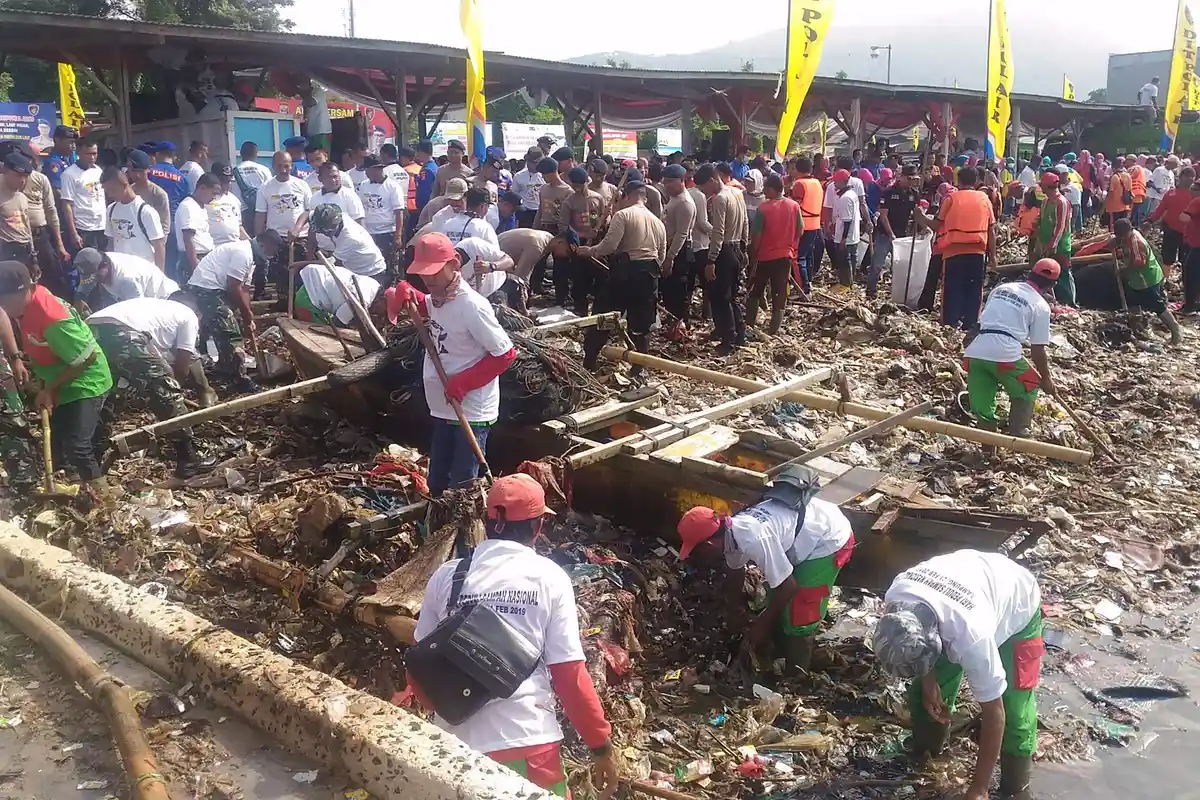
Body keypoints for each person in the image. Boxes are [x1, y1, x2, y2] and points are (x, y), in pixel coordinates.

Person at [412, 473, 618, 799]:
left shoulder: (447, 576)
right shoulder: (549, 579)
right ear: (537, 527)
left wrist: (449, 715)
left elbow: (419, 665)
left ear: (487, 519)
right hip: (527, 742)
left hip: (452, 750)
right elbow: (569, 677)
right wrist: (600, 745)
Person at [871, 550, 1044, 800]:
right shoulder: (898, 595)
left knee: (1015, 708)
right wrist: (929, 681)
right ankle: (927, 752)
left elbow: (994, 712)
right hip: (968, 587)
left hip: (1017, 602)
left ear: (937, 639)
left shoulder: (972, 637)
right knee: (924, 696)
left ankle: (1015, 785)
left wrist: (979, 788)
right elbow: (915, 644)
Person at [677, 465, 853, 670]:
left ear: (709, 544)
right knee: (775, 599)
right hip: (802, 531)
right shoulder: (730, 533)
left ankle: (797, 674)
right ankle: (777, 650)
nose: (699, 557)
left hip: (829, 538)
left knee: (800, 610)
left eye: (698, 551)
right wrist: (734, 610)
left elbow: (789, 586)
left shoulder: (753, 538)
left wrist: (761, 625)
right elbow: (735, 571)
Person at [386, 233, 515, 492]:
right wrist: (413, 296)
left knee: (461, 485)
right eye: (423, 274)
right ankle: (435, 526)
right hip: (444, 407)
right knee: (436, 481)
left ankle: (461, 531)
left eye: (434, 273)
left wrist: (464, 383)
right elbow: (433, 314)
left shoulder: (471, 306)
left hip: (470, 410)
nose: (428, 280)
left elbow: (505, 354)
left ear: (454, 265)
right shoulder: (437, 298)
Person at [0, 260, 113, 496]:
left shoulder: (50, 316)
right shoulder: (26, 307)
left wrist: (48, 389)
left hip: (86, 381)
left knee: (78, 446)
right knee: (61, 446)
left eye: (3, 301)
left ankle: (107, 498)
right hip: (62, 381)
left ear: (19, 293)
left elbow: (87, 357)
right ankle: (78, 488)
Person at [87, 296, 216, 475]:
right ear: (199, 314)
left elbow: (153, 363)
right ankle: (189, 456)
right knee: (165, 388)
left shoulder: (160, 312)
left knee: (109, 394)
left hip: (92, 331)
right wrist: (174, 397)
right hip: (123, 333)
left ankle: (91, 454)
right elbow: (181, 369)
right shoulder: (190, 317)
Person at [961, 258, 1058, 438]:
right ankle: (1019, 434)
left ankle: (988, 450)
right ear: (1052, 285)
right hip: (1005, 356)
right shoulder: (1041, 306)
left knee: (983, 405)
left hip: (975, 352)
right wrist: (1046, 378)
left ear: (1031, 274)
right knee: (1029, 386)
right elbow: (1037, 349)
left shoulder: (1000, 289)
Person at [578, 182, 667, 369]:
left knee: (604, 316)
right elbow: (662, 255)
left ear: (627, 196)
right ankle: (639, 368)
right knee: (642, 325)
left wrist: (589, 251)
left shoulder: (623, 215)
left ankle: (590, 361)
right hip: (649, 274)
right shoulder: (657, 221)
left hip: (626, 273)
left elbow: (609, 246)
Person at [185, 232, 283, 391]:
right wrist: (245, 313)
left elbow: (244, 289)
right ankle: (239, 379)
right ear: (265, 243)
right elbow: (233, 286)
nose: (274, 254)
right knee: (229, 331)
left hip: (218, 289)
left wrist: (248, 315)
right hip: (206, 288)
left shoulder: (251, 258)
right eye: (274, 250)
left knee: (230, 321)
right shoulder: (243, 253)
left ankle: (224, 366)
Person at [925, 165, 996, 330]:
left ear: (958, 181)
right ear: (977, 180)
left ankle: (950, 322)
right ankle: (970, 322)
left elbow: (936, 224)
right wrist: (993, 255)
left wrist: (920, 217)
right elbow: (992, 228)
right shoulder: (984, 199)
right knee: (974, 288)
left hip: (953, 251)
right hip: (977, 251)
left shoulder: (951, 198)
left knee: (952, 288)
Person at [696, 163, 749, 354]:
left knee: (720, 297)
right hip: (736, 248)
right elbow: (745, 223)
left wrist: (711, 260)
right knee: (732, 295)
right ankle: (738, 334)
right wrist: (744, 248)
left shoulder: (720, 199)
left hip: (724, 250)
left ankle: (729, 339)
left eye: (704, 187)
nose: (705, 192)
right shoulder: (737, 193)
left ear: (712, 180)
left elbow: (718, 232)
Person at [1103, 217, 1182, 344]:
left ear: (1125, 232)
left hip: (1147, 278)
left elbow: (1139, 262)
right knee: (1139, 300)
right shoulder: (1130, 235)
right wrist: (1116, 242)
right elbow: (1120, 242)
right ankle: (1138, 325)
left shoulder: (1135, 242)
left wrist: (1124, 269)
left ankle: (1175, 331)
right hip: (1139, 279)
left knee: (1157, 305)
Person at [254, 151, 310, 303]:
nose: (284, 170)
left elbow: (309, 210)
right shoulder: (266, 188)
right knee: (281, 276)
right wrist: (258, 240)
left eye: (286, 166)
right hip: (277, 238)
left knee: (301, 274)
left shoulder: (301, 185)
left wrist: (297, 228)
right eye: (279, 166)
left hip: (300, 237)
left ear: (291, 166)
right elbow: (260, 215)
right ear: (273, 167)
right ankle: (284, 305)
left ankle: (301, 304)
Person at [746, 174, 799, 334]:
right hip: (785, 256)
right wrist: (791, 245)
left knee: (755, 289)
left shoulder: (764, 208)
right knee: (779, 291)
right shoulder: (794, 206)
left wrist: (753, 254)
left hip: (764, 257)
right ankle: (774, 328)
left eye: (765, 188)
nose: (763, 191)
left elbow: (756, 236)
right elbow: (800, 229)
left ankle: (749, 324)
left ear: (771, 189)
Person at [73, 248, 179, 311]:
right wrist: (79, 300)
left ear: (105, 265)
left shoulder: (126, 279)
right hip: (128, 296)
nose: (93, 279)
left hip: (162, 300)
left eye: (95, 275)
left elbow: (138, 312)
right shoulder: (96, 261)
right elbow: (83, 288)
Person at [871, 164, 920, 299]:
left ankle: (899, 294)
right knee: (877, 264)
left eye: (913, 179)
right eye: (908, 178)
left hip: (902, 235)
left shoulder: (914, 194)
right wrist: (890, 233)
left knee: (900, 266)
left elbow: (915, 214)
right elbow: (883, 215)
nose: (911, 181)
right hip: (885, 234)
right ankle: (871, 292)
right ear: (901, 176)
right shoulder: (888, 192)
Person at [102, 166, 166, 270]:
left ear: (124, 186)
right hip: (120, 271)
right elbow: (110, 242)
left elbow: (159, 246)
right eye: (106, 191)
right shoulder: (111, 209)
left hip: (144, 271)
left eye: (112, 190)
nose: (109, 195)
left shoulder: (146, 212)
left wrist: (160, 276)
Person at [304, 205, 386, 280]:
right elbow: (307, 214)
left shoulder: (350, 238)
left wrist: (301, 265)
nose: (323, 234)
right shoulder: (338, 216)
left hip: (369, 272)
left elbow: (330, 264)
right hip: (352, 268)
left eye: (325, 232)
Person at [660, 164, 697, 329]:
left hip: (680, 250)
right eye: (665, 181)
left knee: (679, 289)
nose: (667, 185)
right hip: (670, 247)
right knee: (669, 289)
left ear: (682, 181)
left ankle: (681, 324)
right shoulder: (674, 199)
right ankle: (672, 321)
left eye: (670, 182)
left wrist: (670, 257)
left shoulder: (685, 203)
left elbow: (682, 233)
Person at [358, 156, 406, 280]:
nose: (367, 173)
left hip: (387, 231)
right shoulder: (364, 185)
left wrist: (398, 235)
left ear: (377, 169)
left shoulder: (392, 186)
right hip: (369, 232)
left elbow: (399, 212)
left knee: (390, 266)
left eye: (368, 170)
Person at [1031, 172, 1074, 307]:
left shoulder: (1062, 202)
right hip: (1044, 242)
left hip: (1060, 245)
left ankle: (1069, 302)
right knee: (1046, 273)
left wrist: (1053, 244)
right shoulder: (1045, 201)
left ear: (1048, 186)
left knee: (1064, 273)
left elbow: (1061, 226)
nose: (1041, 188)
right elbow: (1042, 219)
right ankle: (1051, 301)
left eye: (1042, 185)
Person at [294, 262, 381, 327]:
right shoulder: (361, 301)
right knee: (319, 336)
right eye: (385, 311)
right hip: (308, 300)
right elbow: (338, 322)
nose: (382, 315)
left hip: (314, 289)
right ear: (383, 299)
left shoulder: (375, 285)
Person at [59, 141, 106, 256]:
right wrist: (73, 233)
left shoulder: (98, 171)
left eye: (94, 153)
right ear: (79, 153)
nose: (92, 157)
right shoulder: (69, 174)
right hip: (83, 228)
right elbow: (67, 205)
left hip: (102, 226)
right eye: (88, 154)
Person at [306, 163, 365, 253]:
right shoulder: (315, 198)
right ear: (320, 179)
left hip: (346, 250)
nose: (334, 180)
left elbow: (359, 222)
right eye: (329, 177)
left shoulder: (349, 195)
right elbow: (312, 225)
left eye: (336, 176)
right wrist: (311, 248)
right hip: (322, 249)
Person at [1148, 165, 1194, 267]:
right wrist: (1150, 220)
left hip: (1189, 234)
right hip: (1171, 231)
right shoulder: (1170, 193)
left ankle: (1185, 281)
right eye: (1187, 175)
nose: (1190, 178)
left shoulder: (1195, 195)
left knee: (1186, 260)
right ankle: (1166, 280)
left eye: (1192, 176)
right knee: (1167, 258)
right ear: (1181, 177)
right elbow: (1160, 210)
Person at [790, 156, 824, 293]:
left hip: (802, 225)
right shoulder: (817, 183)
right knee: (809, 255)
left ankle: (804, 289)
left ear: (797, 169)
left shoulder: (799, 184)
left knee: (799, 258)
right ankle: (808, 281)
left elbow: (794, 206)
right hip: (815, 224)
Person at [127, 150, 171, 243]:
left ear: (148, 170)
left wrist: (159, 247)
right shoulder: (129, 191)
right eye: (132, 170)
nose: (137, 175)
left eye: (140, 171)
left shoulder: (159, 194)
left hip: (152, 242)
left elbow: (165, 225)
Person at [829, 168, 862, 289]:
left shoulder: (845, 198)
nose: (834, 184)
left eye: (836, 182)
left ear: (844, 181)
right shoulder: (852, 194)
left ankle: (846, 285)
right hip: (853, 236)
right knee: (851, 259)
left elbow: (847, 221)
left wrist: (843, 239)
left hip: (846, 237)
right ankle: (850, 283)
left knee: (844, 262)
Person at [434, 187, 499, 247]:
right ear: (482, 206)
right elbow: (496, 254)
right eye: (488, 206)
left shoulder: (447, 224)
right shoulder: (484, 227)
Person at [0, 153, 34, 268]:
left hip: (24, 251)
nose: (23, 181)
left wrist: (33, 258)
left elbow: (27, 228)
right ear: (5, 171)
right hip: (5, 252)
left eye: (25, 176)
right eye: (18, 176)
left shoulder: (21, 197)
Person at [232, 141, 271, 232]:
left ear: (241, 153)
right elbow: (270, 190)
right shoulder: (263, 169)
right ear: (256, 153)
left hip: (241, 212)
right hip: (261, 211)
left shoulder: (233, 171)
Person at [1174, 181, 1200, 312]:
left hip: (1197, 245)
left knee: (1190, 272)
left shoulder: (1196, 201)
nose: (1191, 192)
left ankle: (1190, 305)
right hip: (1193, 242)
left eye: (1194, 189)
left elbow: (1183, 218)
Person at [206, 163, 247, 246]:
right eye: (224, 182)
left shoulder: (234, 200)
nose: (227, 185)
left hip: (234, 247)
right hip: (213, 248)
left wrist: (251, 243)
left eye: (229, 181)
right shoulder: (205, 199)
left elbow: (239, 227)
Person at [533, 158, 573, 236]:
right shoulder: (544, 188)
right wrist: (534, 228)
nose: (542, 177)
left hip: (558, 228)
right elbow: (540, 210)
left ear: (552, 173)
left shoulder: (567, 191)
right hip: (543, 227)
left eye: (544, 174)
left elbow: (570, 216)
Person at [410, 139, 439, 241]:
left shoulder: (427, 170)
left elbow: (424, 193)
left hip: (425, 208)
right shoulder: (434, 166)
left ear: (421, 152)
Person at [511, 147, 545, 229]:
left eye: (535, 163)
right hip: (524, 212)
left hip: (540, 211)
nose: (532, 165)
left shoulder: (545, 176)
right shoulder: (519, 176)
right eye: (530, 162)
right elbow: (514, 194)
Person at [42, 125, 78, 195]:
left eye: (75, 143)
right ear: (57, 140)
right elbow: (57, 190)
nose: (73, 146)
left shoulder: (72, 158)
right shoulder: (53, 162)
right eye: (70, 142)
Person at [300, 77, 332, 153]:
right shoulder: (307, 95)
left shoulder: (317, 91)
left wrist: (301, 93)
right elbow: (306, 114)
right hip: (312, 130)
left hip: (322, 130)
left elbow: (311, 103)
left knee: (322, 155)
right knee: (313, 156)